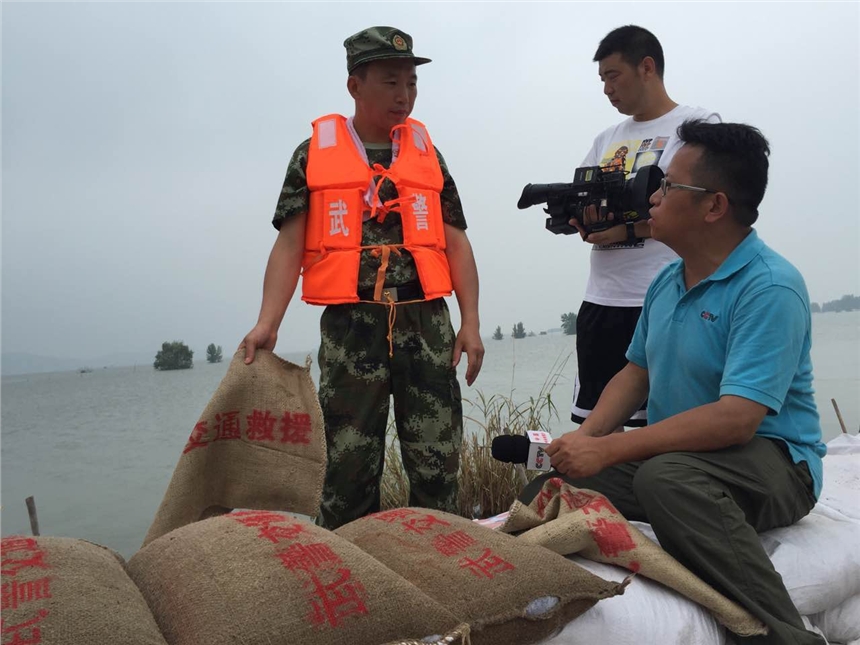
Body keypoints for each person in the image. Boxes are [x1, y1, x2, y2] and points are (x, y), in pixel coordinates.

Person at [522, 119, 827, 644]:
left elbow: (737, 419)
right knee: (552, 487)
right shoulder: (668, 279)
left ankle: (786, 636)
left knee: (666, 480)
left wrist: (615, 451)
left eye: (667, 186)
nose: (653, 197)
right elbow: (634, 374)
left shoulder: (770, 286)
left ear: (714, 206)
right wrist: (586, 441)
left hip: (774, 460)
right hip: (680, 462)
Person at [240, 26, 484, 530]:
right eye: (391, 81)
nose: (404, 95)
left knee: (437, 468)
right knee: (346, 472)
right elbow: (289, 242)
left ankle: (440, 571)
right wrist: (268, 322)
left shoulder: (427, 156)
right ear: (355, 85)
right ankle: (355, 581)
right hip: (353, 327)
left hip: (425, 321)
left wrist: (471, 323)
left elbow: (456, 241)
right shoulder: (312, 156)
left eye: (412, 83)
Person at [569, 25, 720, 431]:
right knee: (596, 428)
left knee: (665, 426)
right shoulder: (607, 139)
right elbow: (584, 200)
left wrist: (625, 232)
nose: (606, 89)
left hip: (667, 297)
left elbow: (699, 210)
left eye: (613, 76)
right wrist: (582, 222)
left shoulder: (697, 125)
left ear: (647, 68)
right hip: (602, 299)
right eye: (602, 80)